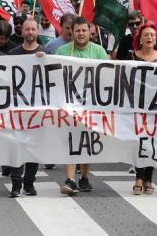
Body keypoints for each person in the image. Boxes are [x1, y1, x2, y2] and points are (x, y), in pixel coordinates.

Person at [55, 17, 108, 195]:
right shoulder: (62, 51)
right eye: (77, 30)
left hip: (91, 104)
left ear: (89, 32)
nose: (80, 34)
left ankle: (84, 177)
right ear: (72, 32)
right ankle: (70, 179)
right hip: (69, 104)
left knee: (87, 141)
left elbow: (108, 75)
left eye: (84, 30)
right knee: (70, 140)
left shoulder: (99, 51)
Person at [7, 18, 45, 197]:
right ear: (22, 32)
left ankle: (29, 183)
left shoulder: (45, 53)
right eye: (27, 29)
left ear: (37, 32)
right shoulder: (12, 53)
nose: (30, 32)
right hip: (17, 109)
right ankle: (16, 183)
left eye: (33, 29)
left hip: (37, 110)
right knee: (17, 146)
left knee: (33, 147)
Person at [130, 23, 157, 196]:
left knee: (153, 142)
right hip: (138, 106)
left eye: (152, 35)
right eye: (146, 35)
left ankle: (149, 178)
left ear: (156, 39)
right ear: (140, 38)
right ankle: (139, 176)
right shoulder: (133, 57)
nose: (149, 38)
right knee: (139, 140)